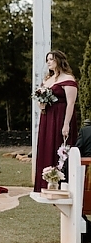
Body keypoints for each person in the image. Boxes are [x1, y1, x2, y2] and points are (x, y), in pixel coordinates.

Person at [34, 50, 78, 192]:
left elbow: (71, 103)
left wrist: (66, 124)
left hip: (61, 116)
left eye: (51, 59)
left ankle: (62, 182)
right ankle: (45, 182)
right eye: (47, 60)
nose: (48, 62)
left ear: (59, 60)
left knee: (60, 148)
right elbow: (41, 99)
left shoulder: (68, 79)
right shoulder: (48, 79)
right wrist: (41, 103)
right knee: (46, 145)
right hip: (47, 117)